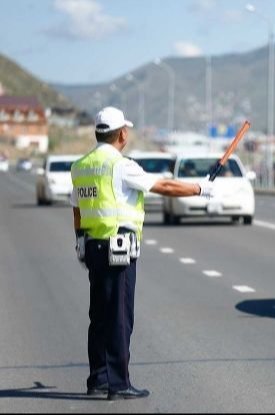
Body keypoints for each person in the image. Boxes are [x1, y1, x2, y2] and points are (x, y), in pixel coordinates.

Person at [70, 106, 214, 401]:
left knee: (98, 315)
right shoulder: (121, 166)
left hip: (93, 247)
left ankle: (98, 378)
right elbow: (163, 185)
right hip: (117, 249)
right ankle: (119, 383)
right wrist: (199, 188)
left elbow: (76, 209)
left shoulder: (82, 165)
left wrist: (80, 241)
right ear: (122, 133)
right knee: (120, 316)